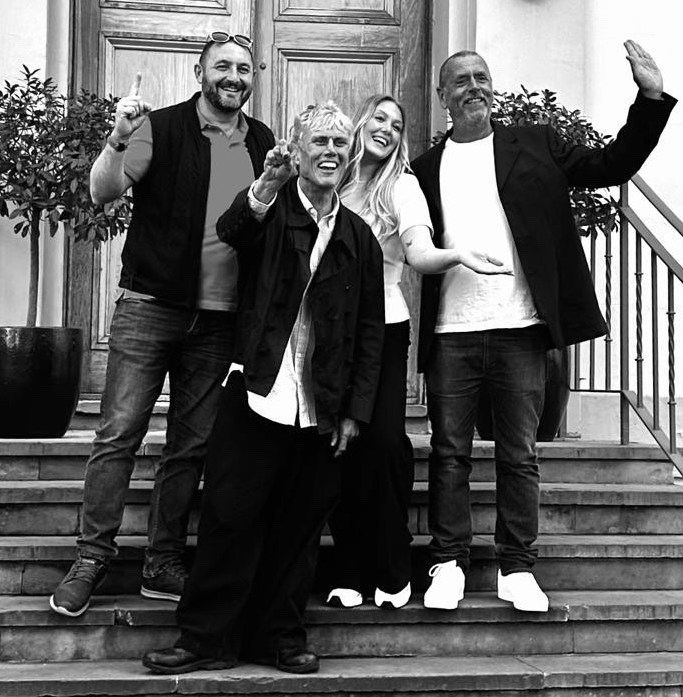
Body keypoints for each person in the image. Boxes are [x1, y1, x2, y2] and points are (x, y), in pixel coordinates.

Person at [411, 39, 676, 614]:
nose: (474, 86)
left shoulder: (533, 144)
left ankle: (517, 565)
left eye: (481, 75)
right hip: (451, 331)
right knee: (449, 450)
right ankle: (449, 561)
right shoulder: (424, 168)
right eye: (460, 80)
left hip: (519, 328)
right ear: (442, 97)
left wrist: (650, 98)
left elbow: (610, 165)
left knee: (519, 453)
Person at [142, 101, 385, 676]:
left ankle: (277, 638)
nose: (330, 151)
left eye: (339, 143)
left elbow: (369, 333)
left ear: (350, 157)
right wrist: (263, 187)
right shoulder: (271, 208)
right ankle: (202, 640)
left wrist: (355, 410)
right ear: (296, 151)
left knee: (299, 529)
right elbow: (232, 230)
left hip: (321, 407)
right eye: (318, 141)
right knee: (229, 518)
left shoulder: (360, 238)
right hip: (256, 390)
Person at [49, 32, 275, 617]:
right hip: (151, 307)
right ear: (200, 73)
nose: (233, 76)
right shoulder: (163, 127)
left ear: (254, 78)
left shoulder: (263, 142)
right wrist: (117, 137)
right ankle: (92, 557)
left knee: (190, 445)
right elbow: (103, 192)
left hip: (222, 318)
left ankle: (163, 560)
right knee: (118, 432)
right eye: (222, 66)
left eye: (244, 68)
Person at [326, 94, 510, 610]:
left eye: (396, 123)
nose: (386, 128)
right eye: (379, 118)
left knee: (383, 442)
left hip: (382, 330)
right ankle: (351, 568)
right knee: (338, 449)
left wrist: (458, 256)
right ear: (361, 122)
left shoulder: (402, 186)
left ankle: (393, 564)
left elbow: (418, 252)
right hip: (328, 337)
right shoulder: (333, 178)